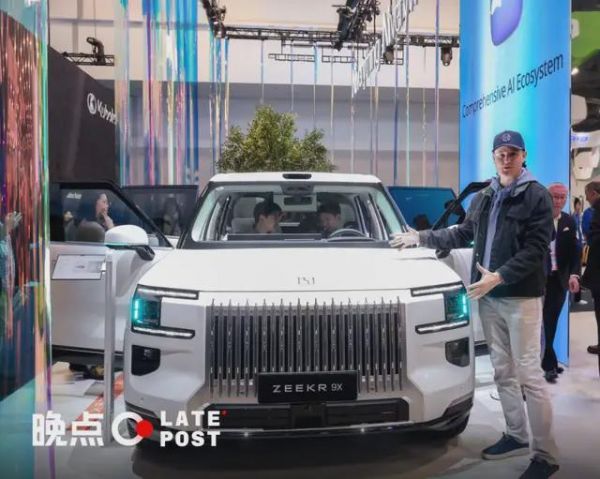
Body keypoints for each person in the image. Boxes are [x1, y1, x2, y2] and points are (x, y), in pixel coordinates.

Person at [390, 130, 559, 478]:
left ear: (524, 156)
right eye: (501, 154)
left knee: (529, 374)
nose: (506, 159)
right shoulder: (484, 196)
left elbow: (536, 248)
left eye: (513, 153)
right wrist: (420, 237)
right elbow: (462, 232)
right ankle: (516, 435)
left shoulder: (537, 195)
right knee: (502, 371)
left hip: (521, 297)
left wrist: (500, 276)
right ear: (494, 157)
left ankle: (546, 455)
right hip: (489, 297)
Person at [541, 183, 580, 383]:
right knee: (541, 322)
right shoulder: (538, 219)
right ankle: (549, 364)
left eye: (562, 197)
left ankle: (548, 359)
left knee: (551, 320)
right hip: (540, 279)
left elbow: (575, 251)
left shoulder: (569, 221)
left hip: (559, 279)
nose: (558, 201)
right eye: (554, 196)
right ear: (547, 197)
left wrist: (574, 275)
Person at [581, 181, 600, 363]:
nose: (586, 199)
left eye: (587, 195)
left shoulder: (596, 211)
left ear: (594, 193)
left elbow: (594, 239)